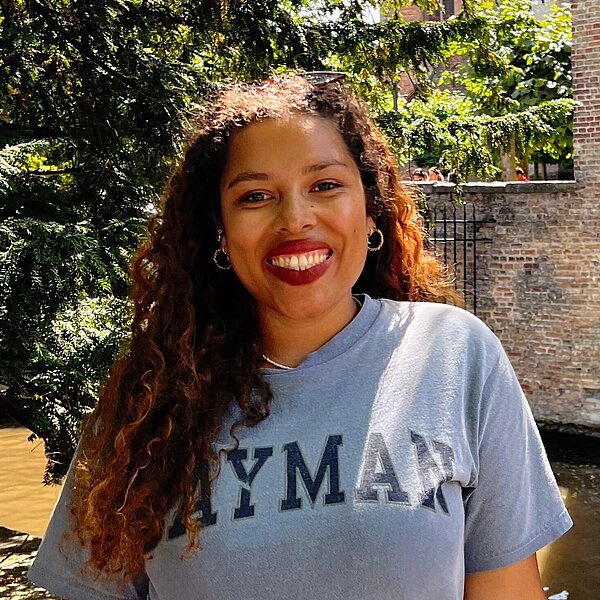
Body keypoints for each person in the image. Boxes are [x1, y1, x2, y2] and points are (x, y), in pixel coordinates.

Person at [29, 73, 571, 600]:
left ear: (371, 207)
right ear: (220, 230)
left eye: (325, 186)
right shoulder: (146, 403)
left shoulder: (455, 356)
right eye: (255, 196)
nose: (295, 218)